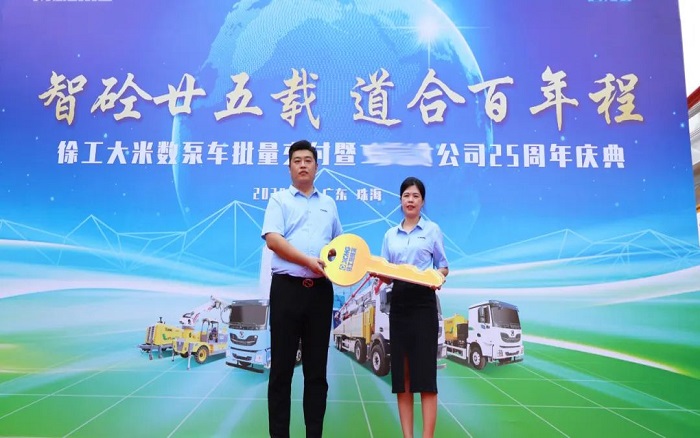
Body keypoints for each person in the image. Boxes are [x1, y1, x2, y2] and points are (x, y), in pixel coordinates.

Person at [261, 139, 342, 438]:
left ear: (316, 166)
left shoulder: (329, 204)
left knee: (316, 372)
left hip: (320, 294)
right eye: (297, 161)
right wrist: (308, 260)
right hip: (287, 290)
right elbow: (274, 240)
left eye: (308, 160)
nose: (303, 165)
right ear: (290, 167)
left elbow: (338, 247)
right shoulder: (279, 200)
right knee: (281, 370)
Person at [378, 176, 448, 438]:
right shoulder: (389, 235)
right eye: (406, 195)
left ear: (422, 201)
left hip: (423, 304)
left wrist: (437, 277)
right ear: (400, 200)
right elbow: (385, 273)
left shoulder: (432, 230)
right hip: (399, 305)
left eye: (415, 196)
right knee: (403, 378)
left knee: (426, 377)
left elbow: (443, 266)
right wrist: (377, 274)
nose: (410, 200)